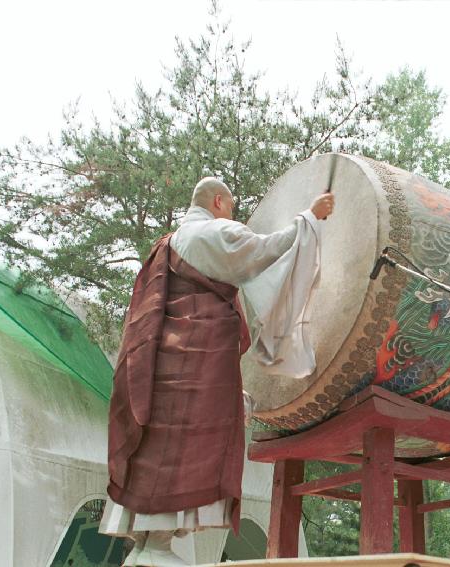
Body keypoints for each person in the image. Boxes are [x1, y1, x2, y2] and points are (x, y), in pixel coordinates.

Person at [99, 177, 334, 566]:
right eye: (233, 208)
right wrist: (310, 216)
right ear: (219, 201)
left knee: (157, 451)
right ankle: (156, 546)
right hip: (191, 369)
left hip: (167, 367)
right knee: (180, 452)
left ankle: (145, 547)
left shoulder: (168, 243)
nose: (235, 216)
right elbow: (264, 251)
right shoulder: (207, 234)